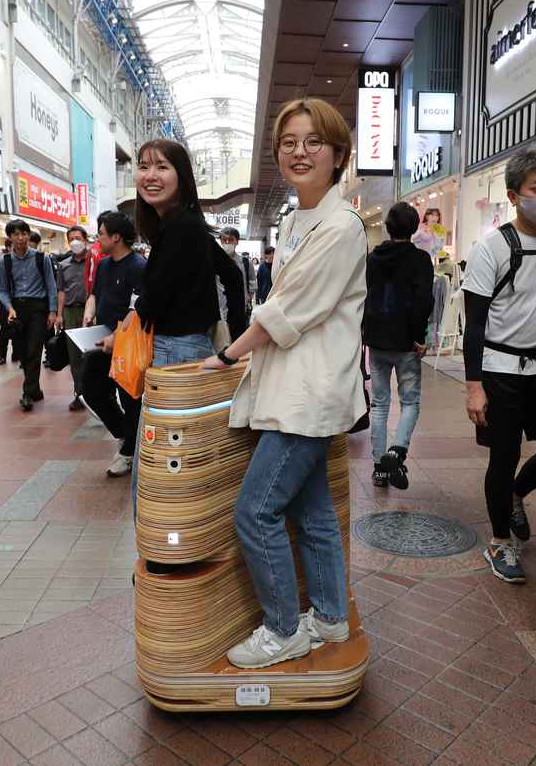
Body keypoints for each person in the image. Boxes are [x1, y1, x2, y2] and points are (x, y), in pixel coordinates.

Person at [204, 97, 365, 669]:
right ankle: (328, 615)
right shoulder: (296, 220)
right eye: (289, 142)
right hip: (291, 386)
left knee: (256, 511)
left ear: (338, 154)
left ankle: (283, 629)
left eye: (313, 141)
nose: (300, 152)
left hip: (309, 391)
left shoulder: (342, 227)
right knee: (312, 512)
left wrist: (227, 355)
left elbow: (289, 309)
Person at [463, 144, 536, 583]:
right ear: (514, 195)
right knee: (502, 458)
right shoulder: (492, 249)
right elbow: (475, 324)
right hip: (501, 371)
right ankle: (500, 542)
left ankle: (517, 495)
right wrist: (474, 386)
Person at [123, 140, 245, 368]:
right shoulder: (187, 224)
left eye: (161, 167)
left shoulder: (180, 226)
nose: (150, 176)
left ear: (182, 176)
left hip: (174, 349)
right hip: (189, 346)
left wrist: (137, 311)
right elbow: (233, 277)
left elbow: (158, 293)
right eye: (143, 166)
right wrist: (237, 339)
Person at [363, 201, 433, 490]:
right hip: (406, 341)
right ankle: (398, 450)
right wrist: (420, 336)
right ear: (415, 227)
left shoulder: (372, 258)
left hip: (377, 339)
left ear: (388, 228)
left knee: (379, 404)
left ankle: (380, 467)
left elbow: (363, 296)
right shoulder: (420, 260)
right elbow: (423, 301)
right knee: (410, 401)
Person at [80, 211, 146, 477]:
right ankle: (126, 436)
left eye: (102, 234)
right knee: (90, 390)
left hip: (127, 345)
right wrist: (89, 310)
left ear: (116, 237)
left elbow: (138, 310)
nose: (98, 238)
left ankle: (129, 452)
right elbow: (95, 294)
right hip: (100, 339)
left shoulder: (138, 266)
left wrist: (117, 338)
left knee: (130, 399)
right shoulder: (105, 264)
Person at [0, 220, 59, 411]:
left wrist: (53, 311)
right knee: (21, 351)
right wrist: (9, 308)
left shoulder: (42, 258)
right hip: (16, 309)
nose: (21, 238)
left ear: (28, 235)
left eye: (24, 234)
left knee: (34, 349)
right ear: (10, 238)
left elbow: (51, 286)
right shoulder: (3, 261)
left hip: (38, 308)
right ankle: (35, 389)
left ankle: (27, 392)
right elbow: (2, 289)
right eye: (16, 234)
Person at [56, 225, 93, 411]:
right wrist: (59, 314)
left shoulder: (95, 261)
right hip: (71, 312)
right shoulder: (64, 265)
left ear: (86, 239)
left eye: (78, 237)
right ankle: (79, 394)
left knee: (92, 355)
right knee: (75, 357)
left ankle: (95, 393)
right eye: (71, 239)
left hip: (91, 312)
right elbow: (61, 291)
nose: (75, 242)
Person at [0, 240, 18, 366]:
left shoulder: (22, 259)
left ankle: (16, 354)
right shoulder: (0, 260)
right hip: (3, 297)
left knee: (17, 326)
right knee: (4, 326)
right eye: (13, 244)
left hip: (18, 297)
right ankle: (2, 355)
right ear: (8, 247)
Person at [218, 226, 256, 315]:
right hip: (220, 310)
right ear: (221, 241)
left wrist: (247, 300)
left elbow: (252, 285)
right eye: (224, 239)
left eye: (231, 239)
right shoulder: (214, 262)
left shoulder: (246, 263)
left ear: (237, 241)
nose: (227, 242)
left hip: (240, 309)